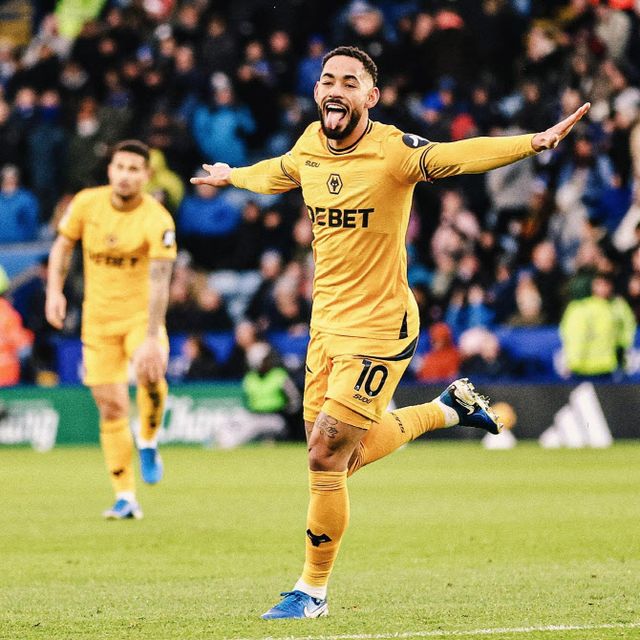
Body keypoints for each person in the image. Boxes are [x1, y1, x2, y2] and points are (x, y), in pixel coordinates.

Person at [191, 46, 590, 619]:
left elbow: (456, 154)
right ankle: (447, 409)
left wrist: (532, 142)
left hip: (380, 327)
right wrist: (233, 177)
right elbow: (279, 171)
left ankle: (312, 592)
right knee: (337, 460)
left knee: (325, 454)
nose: (336, 89)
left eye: (349, 82)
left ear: (370, 97)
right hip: (326, 328)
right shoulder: (310, 144)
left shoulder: (393, 151)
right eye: (328, 80)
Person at [45, 140, 177, 520]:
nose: (125, 176)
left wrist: (151, 337)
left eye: (134, 169)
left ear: (146, 175)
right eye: (120, 167)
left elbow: (160, 281)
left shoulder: (157, 220)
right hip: (98, 321)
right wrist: (54, 292)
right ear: (110, 170)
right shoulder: (87, 203)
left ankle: (148, 440)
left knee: (151, 373)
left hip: (140, 318)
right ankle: (125, 497)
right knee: (111, 407)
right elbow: (62, 247)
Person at [559, 271, 636, 380]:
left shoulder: (619, 305)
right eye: (599, 284)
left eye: (606, 284)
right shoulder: (581, 307)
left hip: (607, 366)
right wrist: (572, 361)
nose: (602, 289)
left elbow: (628, 328)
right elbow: (573, 336)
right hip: (581, 367)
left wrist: (623, 348)